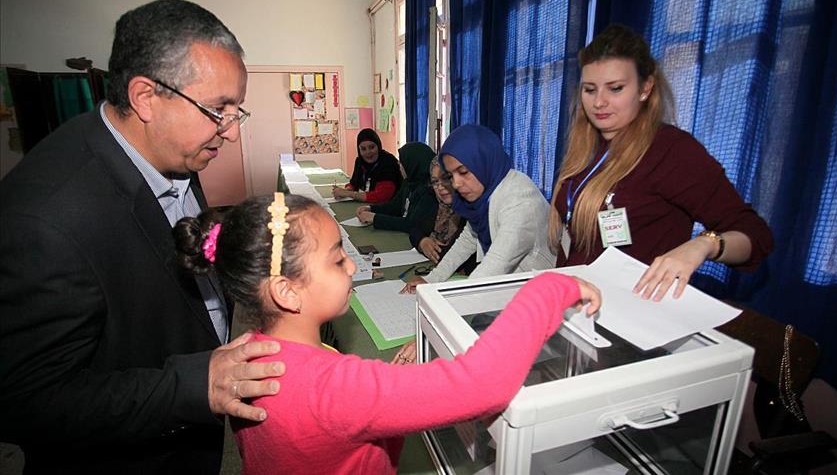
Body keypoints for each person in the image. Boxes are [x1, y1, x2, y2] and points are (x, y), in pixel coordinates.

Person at [0, 0, 283, 473]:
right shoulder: (45, 219)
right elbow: (24, 400)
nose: (231, 132)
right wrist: (194, 385)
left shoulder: (172, 153)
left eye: (237, 110)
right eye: (218, 109)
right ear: (146, 97)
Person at [174, 192, 601, 474]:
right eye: (337, 259)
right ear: (286, 290)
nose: (352, 266)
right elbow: (482, 384)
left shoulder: (243, 357)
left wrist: (392, 382)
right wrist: (549, 287)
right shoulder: (338, 389)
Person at [548, 24, 774, 301]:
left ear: (645, 88)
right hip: (575, 302)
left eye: (615, 88)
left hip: (631, 310)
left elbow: (755, 235)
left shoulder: (672, 150)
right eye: (590, 90)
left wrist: (704, 244)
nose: (599, 102)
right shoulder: (586, 146)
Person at [401, 124, 557, 293]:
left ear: (483, 162)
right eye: (451, 176)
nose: (456, 184)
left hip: (543, 293)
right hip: (513, 288)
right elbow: (469, 238)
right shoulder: (487, 193)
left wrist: (448, 299)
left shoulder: (521, 202)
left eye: (463, 172)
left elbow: (495, 265)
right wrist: (431, 279)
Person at [408, 158, 476, 271]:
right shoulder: (434, 203)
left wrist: (432, 246)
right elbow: (414, 229)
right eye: (435, 182)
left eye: (446, 178)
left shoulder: (471, 209)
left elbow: (452, 256)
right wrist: (422, 242)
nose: (440, 187)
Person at [356, 141, 439, 232]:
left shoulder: (429, 191)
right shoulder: (408, 183)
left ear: (413, 164)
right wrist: (371, 208)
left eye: (402, 163)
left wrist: (375, 218)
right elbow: (394, 206)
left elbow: (412, 224)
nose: (399, 166)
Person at [332, 128, 402, 203]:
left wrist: (349, 194)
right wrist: (345, 190)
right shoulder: (360, 161)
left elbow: (382, 196)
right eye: (363, 149)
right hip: (368, 204)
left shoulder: (388, 161)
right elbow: (354, 183)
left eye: (372, 147)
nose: (368, 152)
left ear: (378, 146)